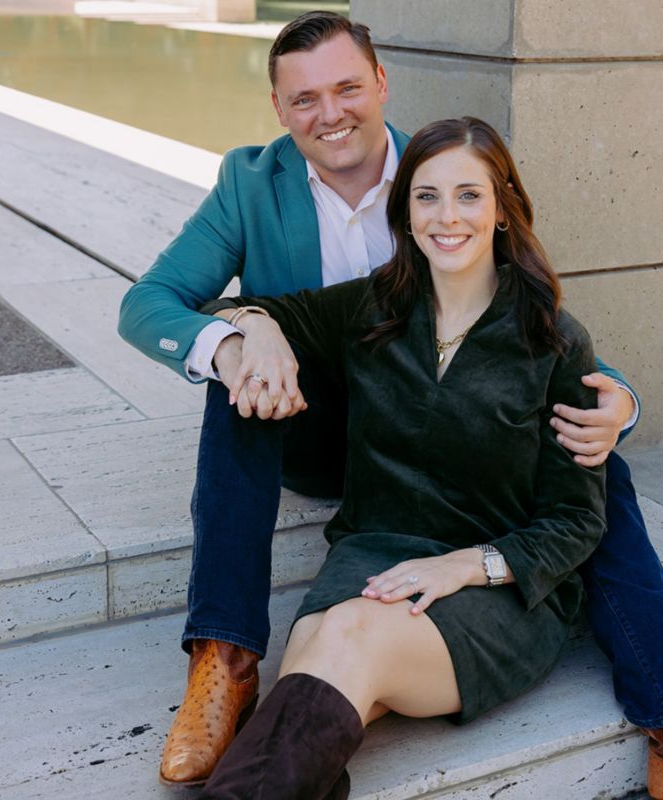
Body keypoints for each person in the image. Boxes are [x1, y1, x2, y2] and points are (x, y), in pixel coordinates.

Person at [117, 11, 663, 798]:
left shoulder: (445, 174)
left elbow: (536, 345)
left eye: (348, 87)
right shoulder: (260, 191)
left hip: (464, 481)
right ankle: (223, 654)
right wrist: (246, 330)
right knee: (238, 379)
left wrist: (617, 402)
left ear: (381, 83)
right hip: (337, 432)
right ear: (279, 108)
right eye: (305, 98)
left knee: (591, 457)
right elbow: (152, 304)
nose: (331, 113)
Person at [197, 114, 608, 798]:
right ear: (405, 213)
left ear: (503, 208)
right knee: (317, 687)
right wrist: (257, 327)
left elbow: (577, 520)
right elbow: (220, 304)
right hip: (370, 555)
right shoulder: (374, 308)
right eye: (427, 196)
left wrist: (464, 565)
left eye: (469, 195)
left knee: (343, 641)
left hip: (494, 586)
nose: (447, 217)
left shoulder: (553, 340)